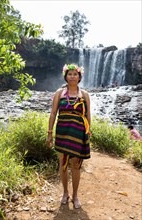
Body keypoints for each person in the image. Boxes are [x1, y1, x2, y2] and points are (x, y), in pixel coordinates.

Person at [47, 63, 91, 209]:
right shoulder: (59, 93)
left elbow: (88, 115)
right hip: (62, 133)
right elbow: (53, 113)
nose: (72, 76)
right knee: (63, 163)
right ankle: (65, 192)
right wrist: (49, 133)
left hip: (78, 134)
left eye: (75, 74)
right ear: (66, 76)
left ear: (79, 77)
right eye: (70, 74)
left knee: (76, 165)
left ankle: (75, 195)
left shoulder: (84, 95)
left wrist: (88, 133)